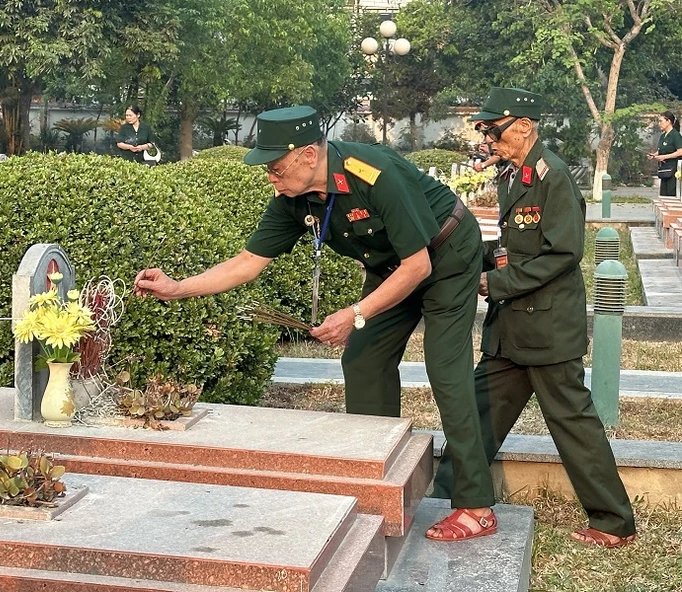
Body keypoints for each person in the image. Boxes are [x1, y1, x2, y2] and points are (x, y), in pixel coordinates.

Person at [135, 105, 499, 541]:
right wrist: (177, 288)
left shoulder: (374, 174)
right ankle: (376, 482)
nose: (270, 176)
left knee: (446, 371)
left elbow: (418, 266)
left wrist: (356, 313)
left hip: (445, 253)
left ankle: (476, 505)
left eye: (275, 165)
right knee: (363, 360)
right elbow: (248, 263)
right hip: (392, 268)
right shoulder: (293, 196)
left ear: (309, 155)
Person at [432, 88, 637, 548]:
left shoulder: (553, 175)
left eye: (494, 128)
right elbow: (513, 248)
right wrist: (473, 262)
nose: (488, 137)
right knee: (477, 414)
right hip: (510, 330)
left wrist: (497, 285)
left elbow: (563, 253)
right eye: (484, 129)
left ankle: (612, 522)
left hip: (546, 329)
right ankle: (445, 498)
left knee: (573, 424)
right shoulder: (512, 175)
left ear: (524, 125)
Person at [648, 111, 682, 197]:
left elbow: (680, 151)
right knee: (663, 194)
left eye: (661, 121)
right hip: (664, 169)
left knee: (671, 193)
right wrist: (654, 155)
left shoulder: (675, 135)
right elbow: (661, 150)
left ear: (668, 121)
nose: (659, 124)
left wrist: (665, 157)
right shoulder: (663, 136)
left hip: (673, 169)